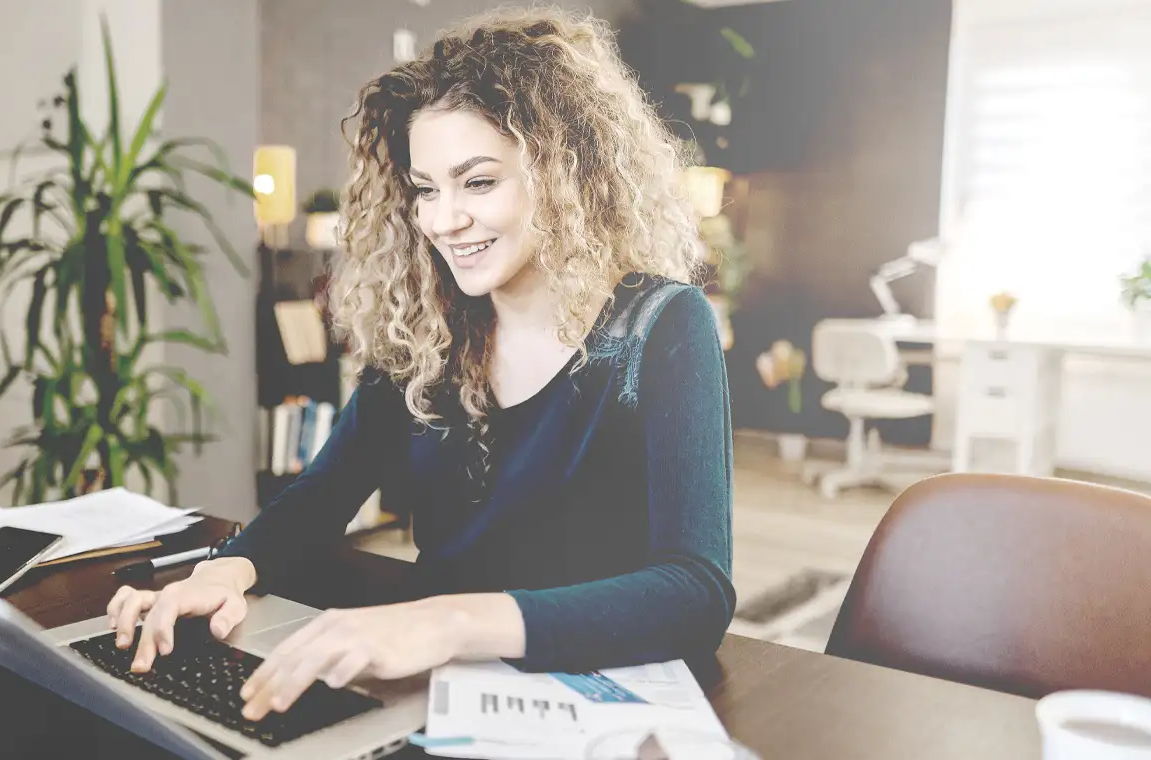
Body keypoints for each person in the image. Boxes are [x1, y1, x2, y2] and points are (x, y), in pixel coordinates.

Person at [106, 6, 734, 724]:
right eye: (427, 188)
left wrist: (449, 621)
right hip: (438, 692)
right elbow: (322, 493)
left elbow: (696, 591)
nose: (442, 221)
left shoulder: (663, 324)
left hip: (592, 703)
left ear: (566, 174)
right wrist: (224, 570)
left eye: (478, 182)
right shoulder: (428, 326)